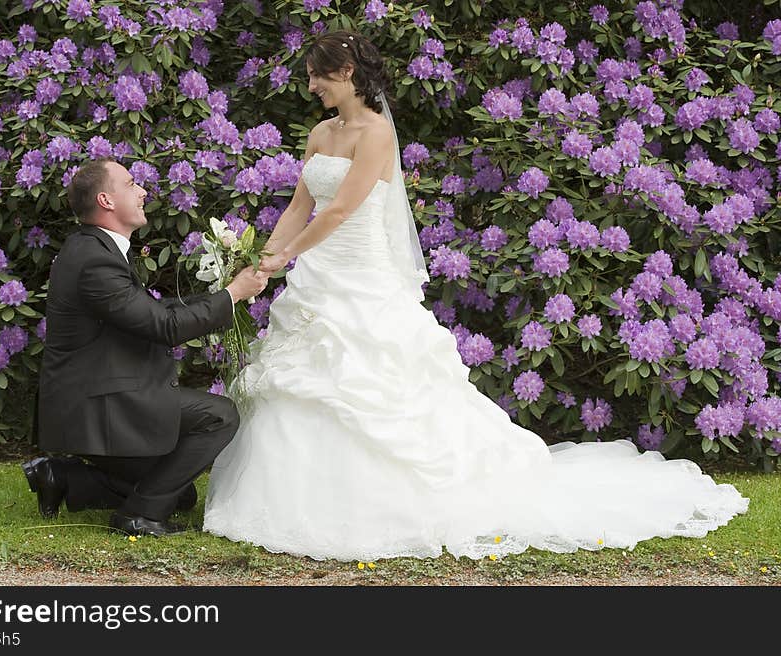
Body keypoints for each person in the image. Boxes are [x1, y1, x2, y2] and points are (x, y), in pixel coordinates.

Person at [202, 31, 749, 561]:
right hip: (318, 273)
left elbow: (341, 210)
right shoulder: (321, 134)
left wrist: (285, 255)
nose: (312, 88)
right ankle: (301, 499)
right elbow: (302, 205)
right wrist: (265, 258)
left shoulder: (376, 135)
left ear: (345, 73)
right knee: (302, 377)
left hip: (360, 271)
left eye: (317, 78)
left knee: (371, 375)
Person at [23, 157, 267, 537]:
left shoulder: (94, 249)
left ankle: (62, 477)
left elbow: (152, 312)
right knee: (220, 415)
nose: (142, 191)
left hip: (95, 397)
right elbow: (163, 326)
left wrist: (220, 296)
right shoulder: (94, 261)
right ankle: (138, 516)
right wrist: (232, 295)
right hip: (96, 405)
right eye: (132, 184)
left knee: (179, 494)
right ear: (106, 200)